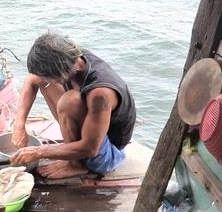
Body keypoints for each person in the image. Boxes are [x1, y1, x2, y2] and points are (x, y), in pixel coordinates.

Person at [10, 32, 136, 179]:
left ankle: (75, 165)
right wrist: (19, 126)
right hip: (91, 130)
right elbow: (32, 80)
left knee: (69, 101)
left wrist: (39, 151)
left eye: (48, 76)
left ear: (60, 71)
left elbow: (91, 148)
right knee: (41, 82)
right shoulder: (71, 58)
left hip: (105, 154)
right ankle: (73, 156)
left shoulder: (100, 93)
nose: (43, 79)